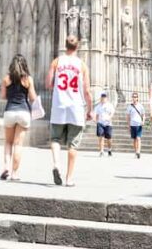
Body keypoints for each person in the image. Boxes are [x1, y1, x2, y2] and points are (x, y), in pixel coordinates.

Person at [47, 34, 93, 188]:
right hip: (76, 108)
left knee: (55, 139)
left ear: (65, 46)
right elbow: (87, 91)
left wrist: (59, 91)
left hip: (59, 106)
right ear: (77, 47)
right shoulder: (82, 65)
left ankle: (56, 164)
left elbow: (48, 83)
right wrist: (90, 109)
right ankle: (69, 179)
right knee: (73, 144)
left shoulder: (56, 61)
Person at [0, 54, 37, 180]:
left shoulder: (6, 79)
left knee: (8, 142)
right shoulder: (28, 79)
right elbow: (32, 98)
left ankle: (6, 168)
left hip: (10, 111)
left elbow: (3, 96)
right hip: (24, 112)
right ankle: (14, 174)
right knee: (18, 144)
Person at [94, 92, 114, 157]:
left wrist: (109, 118)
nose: (103, 99)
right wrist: (96, 121)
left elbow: (112, 113)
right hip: (100, 123)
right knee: (101, 137)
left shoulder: (110, 105)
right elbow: (96, 114)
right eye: (102, 97)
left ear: (106, 98)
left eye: (104, 97)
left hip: (108, 123)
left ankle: (109, 149)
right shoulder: (98, 106)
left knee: (109, 138)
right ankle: (101, 151)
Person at [126, 91, 145, 159]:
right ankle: (135, 151)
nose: (134, 98)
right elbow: (128, 116)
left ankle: (138, 152)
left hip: (139, 124)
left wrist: (143, 121)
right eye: (133, 97)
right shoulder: (129, 106)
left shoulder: (140, 106)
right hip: (132, 124)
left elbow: (143, 114)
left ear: (137, 98)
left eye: (135, 97)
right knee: (134, 139)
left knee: (138, 138)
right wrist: (128, 125)